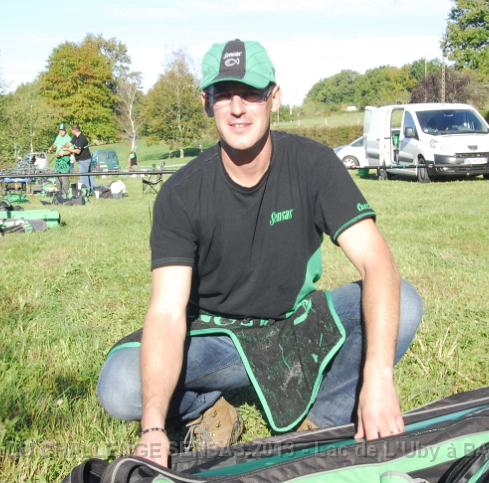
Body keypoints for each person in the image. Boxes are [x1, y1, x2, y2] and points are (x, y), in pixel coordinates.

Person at [97, 39, 423, 467]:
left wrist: (378, 377)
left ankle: (321, 420)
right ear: (206, 103)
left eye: (251, 93)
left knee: (405, 302)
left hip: (297, 324)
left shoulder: (314, 164)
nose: (237, 108)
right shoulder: (180, 194)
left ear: (274, 97)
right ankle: (207, 409)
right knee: (120, 384)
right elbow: (167, 312)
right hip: (217, 337)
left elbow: (377, 263)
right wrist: (154, 427)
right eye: (223, 95)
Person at [64, 124, 95, 190]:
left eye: (71, 130)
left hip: (84, 160)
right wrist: (64, 146)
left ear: (74, 130)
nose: (71, 131)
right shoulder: (76, 137)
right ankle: (93, 190)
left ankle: (86, 191)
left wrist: (67, 149)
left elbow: (78, 151)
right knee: (89, 176)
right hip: (84, 159)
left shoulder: (81, 138)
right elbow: (70, 143)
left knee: (84, 177)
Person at [47, 123, 72, 196]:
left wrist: (62, 154)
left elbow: (70, 151)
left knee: (64, 179)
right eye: (60, 130)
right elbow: (55, 144)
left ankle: (65, 194)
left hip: (65, 160)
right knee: (57, 179)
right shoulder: (58, 136)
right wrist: (51, 147)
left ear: (65, 130)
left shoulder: (69, 139)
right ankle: (58, 194)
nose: (61, 131)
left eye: (62, 130)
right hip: (58, 161)